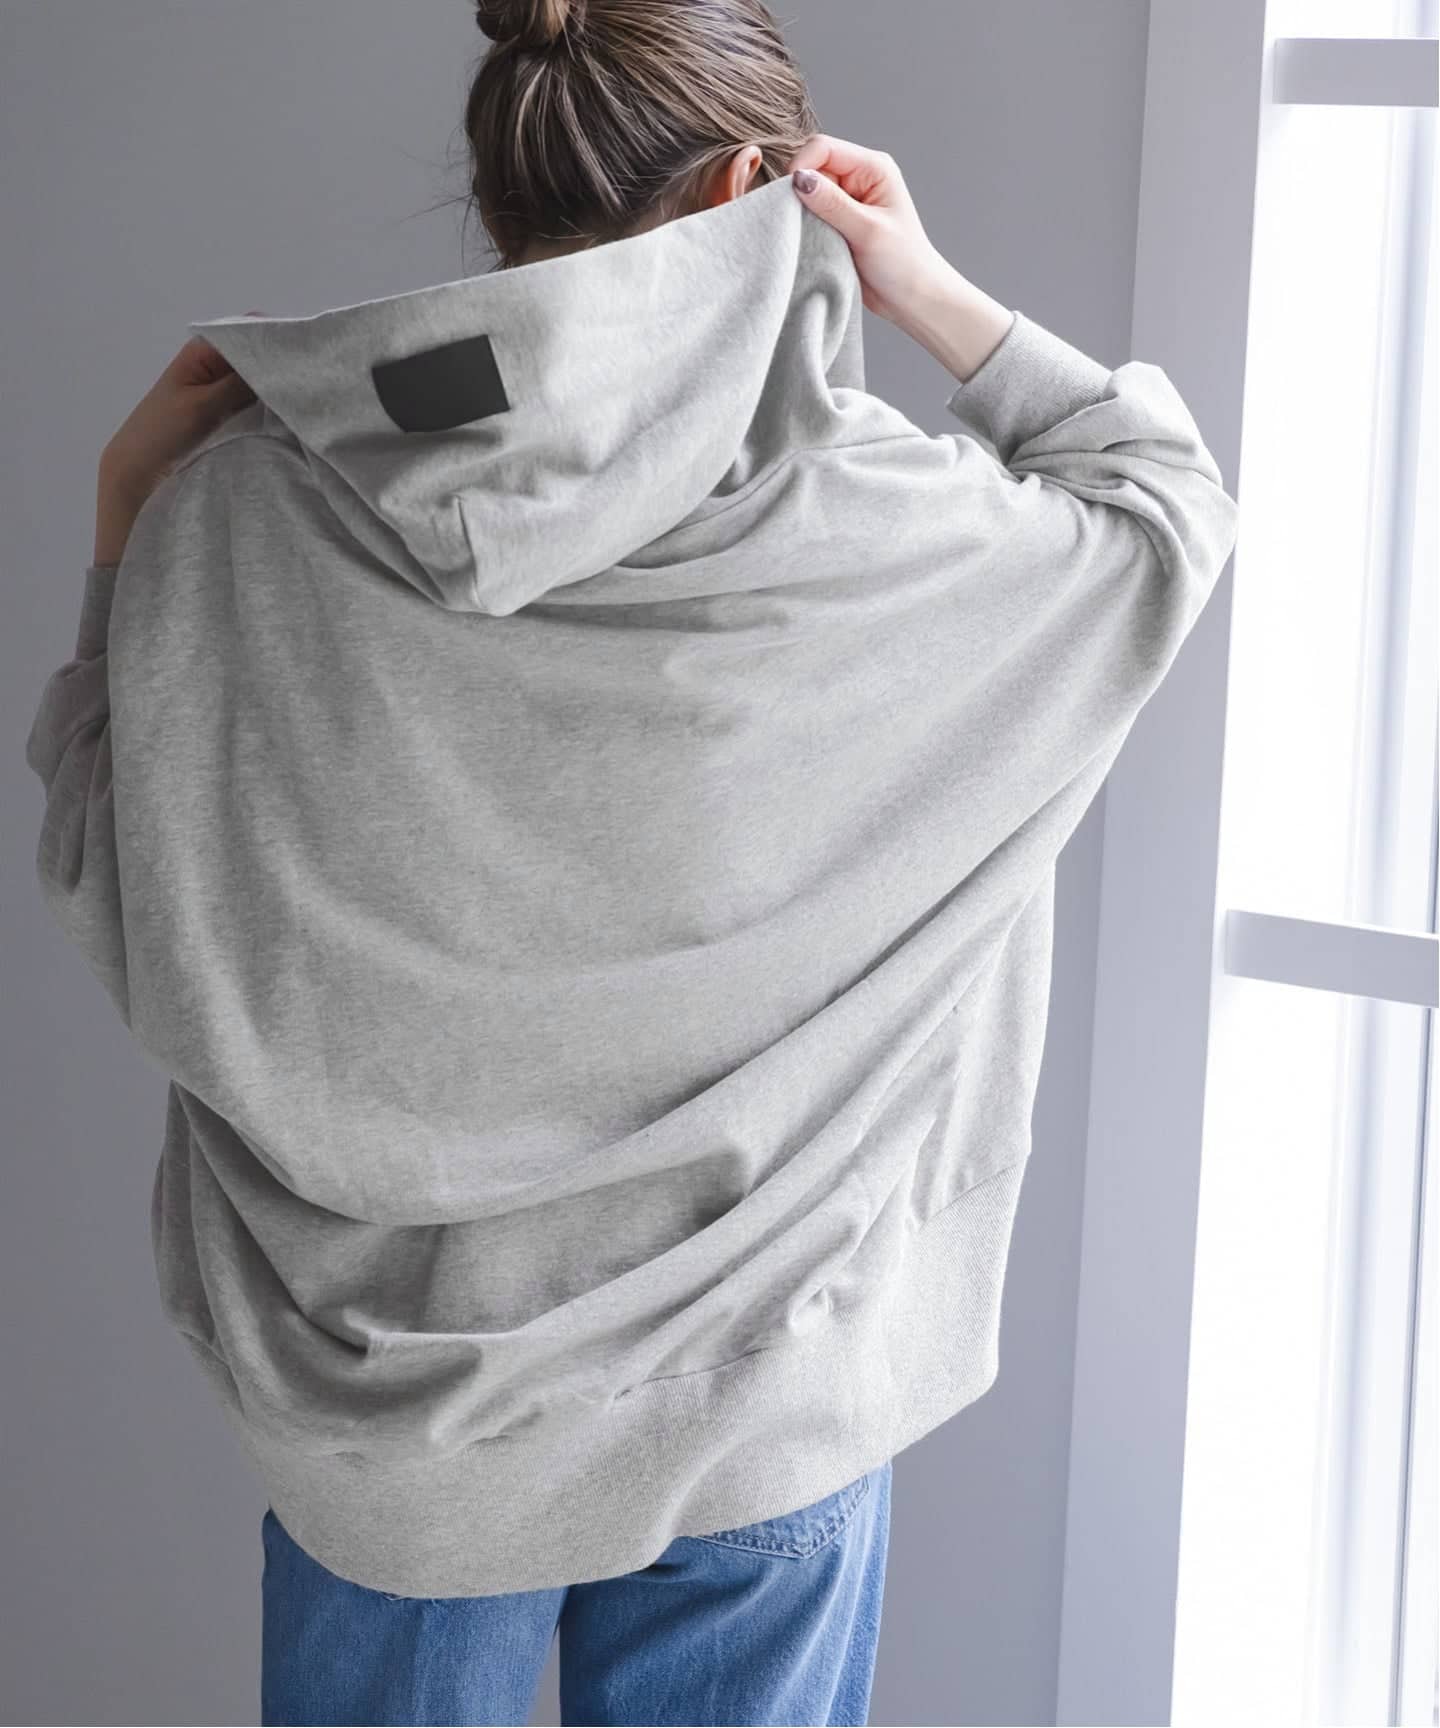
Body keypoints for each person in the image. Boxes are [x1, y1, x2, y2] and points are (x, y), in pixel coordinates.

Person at [24, 0, 1240, 1723]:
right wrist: (926, 290)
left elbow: (118, 872)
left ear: (495, 194)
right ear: (764, 185)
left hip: (406, 1428)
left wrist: (124, 516)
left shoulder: (240, 518)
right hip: (770, 1385)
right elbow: (1161, 500)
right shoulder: (898, 530)